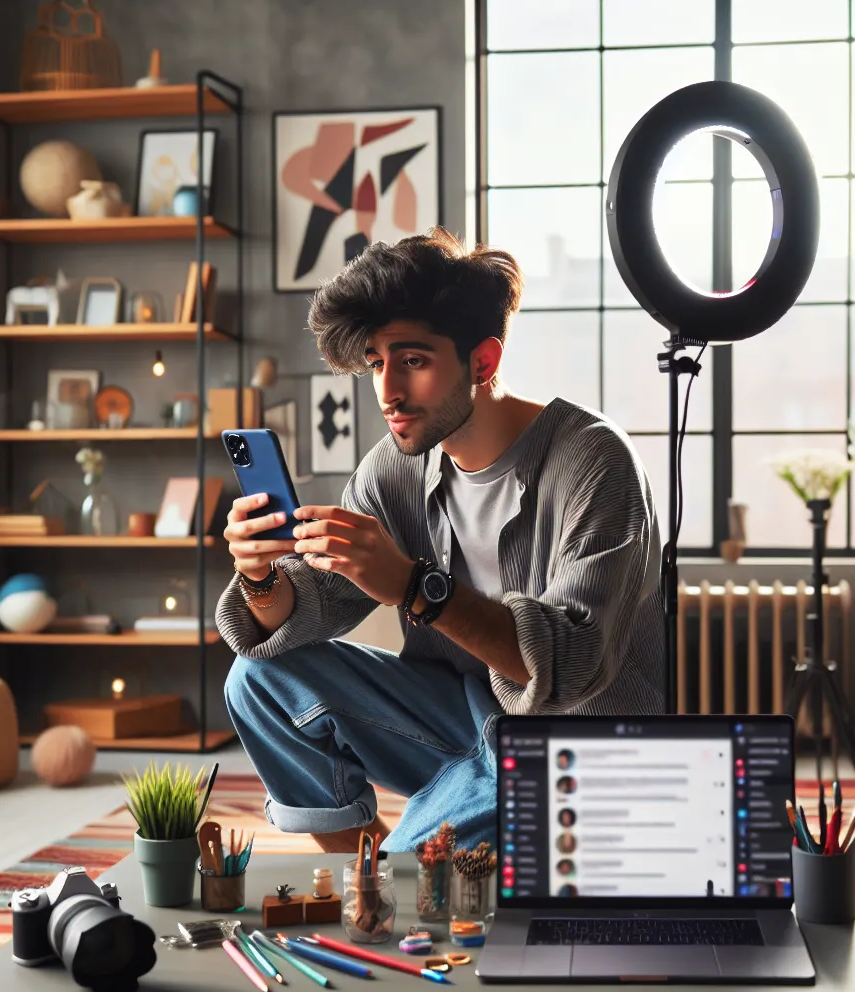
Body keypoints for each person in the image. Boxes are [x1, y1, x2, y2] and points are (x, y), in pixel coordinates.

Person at [218, 227, 664, 855]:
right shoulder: (394, 466)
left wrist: (411, 587)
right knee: (258, 678)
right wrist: (263, 576)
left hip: (576, 749)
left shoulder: (595, 462)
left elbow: (571, 667)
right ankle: (359, 880)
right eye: (377, 363)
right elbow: (316, 601)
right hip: (460, 717)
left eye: (414, 361)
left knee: (412, 869)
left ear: (483, 361)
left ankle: (394, 874)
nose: (388, 392)